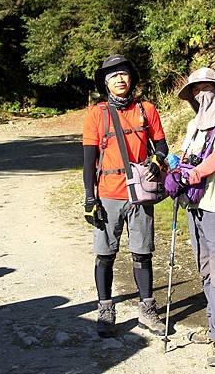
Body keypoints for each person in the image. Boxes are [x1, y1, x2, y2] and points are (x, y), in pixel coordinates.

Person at [82, 54, 168, 338]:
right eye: (113, 75)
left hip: (140, 193)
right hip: (108, 194)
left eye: (123, 74)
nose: (119, 79)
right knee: (105, 255)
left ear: (131, 78)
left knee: (143, 253)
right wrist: (89, 197)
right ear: (105, 82)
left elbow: (162, 146)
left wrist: (157, 160)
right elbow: (88, 160)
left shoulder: (147, 110)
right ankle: (106, 310)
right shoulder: (97, 114)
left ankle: (147, 309)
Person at [166, 67, 215, 367]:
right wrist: (174, 169)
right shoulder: (192, 125)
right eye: (196, 90)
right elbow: (185, 158)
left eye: (207, 87)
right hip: (194, 204)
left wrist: (193, 174)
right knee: (205, 268)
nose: (202, 94)